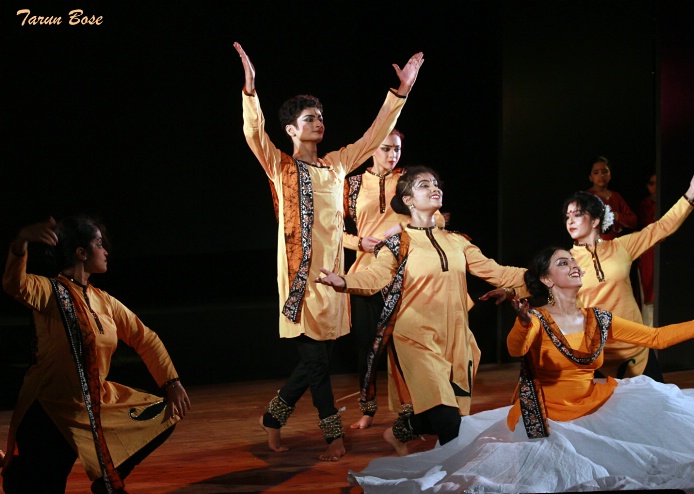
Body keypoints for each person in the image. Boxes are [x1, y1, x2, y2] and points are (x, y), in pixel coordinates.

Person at [347, 246, 694, 493]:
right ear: (545, 279)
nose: (573, 265)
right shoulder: (536, 319)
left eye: (573, 261)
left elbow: (655, 338)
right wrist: (522, 323)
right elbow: (516, 348)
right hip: (548, 413)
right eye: (563, 263)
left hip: (595, 401)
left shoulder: (599, 318)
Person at [233, 42, 423, 461]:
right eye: (308, 119)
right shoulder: (280, 165)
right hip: (300, 281)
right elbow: (252, 133)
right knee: (317, 366)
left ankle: (272, 420)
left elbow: (375, 135)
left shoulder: (337, 164)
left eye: (320, 117)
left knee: (311, 364)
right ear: (291, 130)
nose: (318, 122)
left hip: (335, 281)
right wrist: (250, 90)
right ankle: (333, 435)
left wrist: (400, 92)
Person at [316, 166, 527, 456]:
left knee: (448, 410)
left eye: (436, 183)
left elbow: (498, 272)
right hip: (415, 337)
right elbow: (376, 277)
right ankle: (455, 480)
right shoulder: (398, 244)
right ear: (408, 200)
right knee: (449, 420)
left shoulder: (458, 242)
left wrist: (541, 275)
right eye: (424, 185)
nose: (434, 188)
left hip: (455, 337)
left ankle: (400, 432)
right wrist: (344, 282)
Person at [1, 216, 190, 494]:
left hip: (96, 406)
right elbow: (14, 284)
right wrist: (20, 243)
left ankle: (107, 478)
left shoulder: (105, 301)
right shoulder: (49, 291)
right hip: (52, 411)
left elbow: (144, 337)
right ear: (81, 253)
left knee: (162, 415)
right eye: (99, 244)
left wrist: (171, 382)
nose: (106, 251)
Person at [565, 168, 694, 380]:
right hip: (597, 356)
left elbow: (660, 228)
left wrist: (691, 193)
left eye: (578, 214)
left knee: (655, 410)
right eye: (567, 216)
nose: (570, 220)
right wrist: (508, 291)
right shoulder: (565, 261)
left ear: (596, 220)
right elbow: (532, 282)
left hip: (636, 348)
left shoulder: (621, 247)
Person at [342, 130, 445, 429]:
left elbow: (437, 218)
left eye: (397, 149)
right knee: (367, 347)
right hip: (365, 272)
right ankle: (367, 408)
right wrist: (359, 243)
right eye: (386, 149)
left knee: (407, 343)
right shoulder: (354, 184)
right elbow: (333, 230)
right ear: (373, 148)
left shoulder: (409, 181)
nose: (392, 155)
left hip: (406, 271)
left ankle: (412, 407)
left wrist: (399, 229)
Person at [585, 156, 637, 240]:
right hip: (595, 247)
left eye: (604, 171)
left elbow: (633, 221)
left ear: (610, 175)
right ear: (590, 177)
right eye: (596, 172)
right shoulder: (586, 197)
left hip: (616, 246)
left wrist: (616, 216)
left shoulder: (616, 196)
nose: (601, 175)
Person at [635, 172, 657, 326]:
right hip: (648, 253)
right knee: (649, 297)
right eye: (651, 183)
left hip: (666, 253)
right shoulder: (645, 205)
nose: (655, 187)